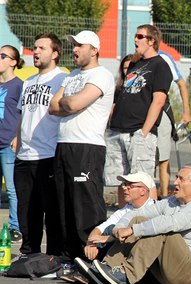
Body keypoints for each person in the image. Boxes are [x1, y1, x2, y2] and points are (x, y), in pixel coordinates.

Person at [85, 164, 191, 284]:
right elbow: (135, 214)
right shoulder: (172, 201)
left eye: (181, 179)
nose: (175, 182)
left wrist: (132, 230)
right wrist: (118, 229)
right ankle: (109, 267)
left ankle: (125, 274)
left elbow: (170, 223)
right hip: (168, 270)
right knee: (139, 220)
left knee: (161, 229)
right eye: (177, 177)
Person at [48, 30, 115, 262]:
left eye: (80, 45)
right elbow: (52, 107)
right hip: (63, 145)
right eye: (73, 45)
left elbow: (72, 103)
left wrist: (68, 102)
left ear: (94, 50)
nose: (74, 49)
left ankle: (93, 257)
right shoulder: (72, 75)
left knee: (85, 204)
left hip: (87, 147)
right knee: (64, 202)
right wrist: (69, 103)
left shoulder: (102, 75)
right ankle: (69, 258)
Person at [105, 24, 172, 201]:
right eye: (136, 35)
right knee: (122, 181)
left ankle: (146, 221)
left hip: (139, 131)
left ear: (152, 41)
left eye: (140, 36)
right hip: (118, 129)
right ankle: (122, 219)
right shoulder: (135, 63)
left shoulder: (161, 65)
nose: (136, 39)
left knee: (142, 181)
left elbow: (158, 101)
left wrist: (144, 132)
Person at [15, 33, 67, 256]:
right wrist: (17, 144)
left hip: (48, 154)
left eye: (42, 48)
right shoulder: (28, 82)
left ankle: (53, 257)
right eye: (34, 47)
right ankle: (29, 253)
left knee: (51, 210)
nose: (35, 52)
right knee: (26, 210)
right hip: (24, 156)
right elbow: (22, 115)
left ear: (55, 53)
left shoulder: (62, 79)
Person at [59, 172, 155, 284]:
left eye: (130, 185)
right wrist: (91, 244)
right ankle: (92, 268)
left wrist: (109, 238)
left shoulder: (153, 209)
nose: (124, 188)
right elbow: (100, 228)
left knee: (112, 231)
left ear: (143, 191)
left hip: (145, 265)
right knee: (110, 228)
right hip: (125, 252)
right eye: (124, 184)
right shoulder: (127, 209)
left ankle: (95, 270)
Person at [156, 49, 191, 199]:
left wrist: (186, 111)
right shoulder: (137, 58)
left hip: (162, 111)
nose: (137, 41)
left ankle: (164, 196)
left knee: (163, 158)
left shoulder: (163, 57)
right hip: (141, 114)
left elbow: (181, 83)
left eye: (142, 37)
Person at [0, 44, 24, 242]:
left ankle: (15, 227)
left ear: (13, 62)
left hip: (8, 144)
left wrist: (17, 137)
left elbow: (24, 115)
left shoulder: (19, 85)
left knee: (12, 189)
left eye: (2, 55)